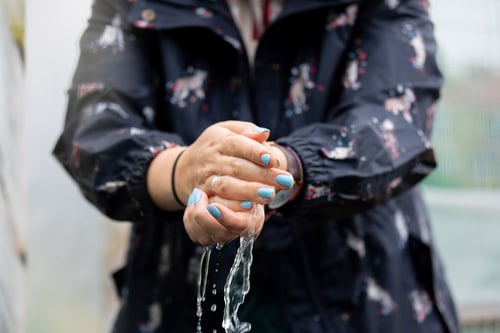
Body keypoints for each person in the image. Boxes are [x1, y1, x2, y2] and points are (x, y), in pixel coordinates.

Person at [53, 0, 460, 332]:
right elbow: (96, 131)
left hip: (364, 304)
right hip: (177, 306)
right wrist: (185, 172)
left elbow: (393, 121)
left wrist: (277, 170)